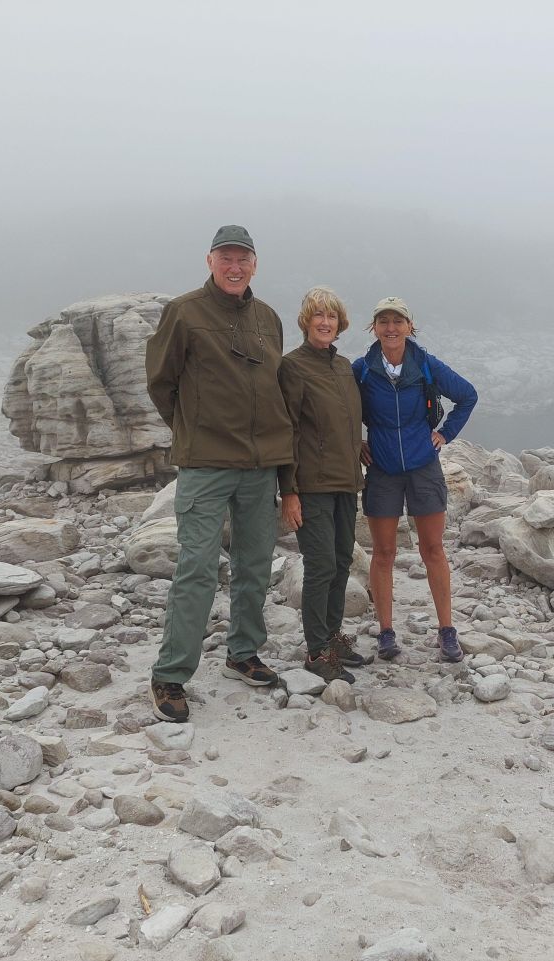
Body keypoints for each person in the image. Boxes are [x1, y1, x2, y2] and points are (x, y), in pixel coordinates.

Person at [143, 225, 293, 723]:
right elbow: (161, 383)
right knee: (198, 567)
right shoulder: (184, 312)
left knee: (254, 565)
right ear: (210, 261)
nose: (235, 267)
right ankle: (170, 674)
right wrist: (193, 429)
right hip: (206, 464)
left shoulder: (268, 318)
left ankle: (242, 653)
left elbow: (276, 387)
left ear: (255, 264)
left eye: (243, 259)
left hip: (259, 466)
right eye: (226, 258)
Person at [353, 296, 477, 663]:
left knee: (433, 549)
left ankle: (447, 630)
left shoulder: (425, 364)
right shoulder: (362, 369)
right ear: (374, 328)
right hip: (382, 468)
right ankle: (386, 632)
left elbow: (467, 396)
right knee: (384, 553)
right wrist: (355, 441)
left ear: (410, 326)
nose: (391, 328)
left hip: (423, 466)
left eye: (398, 321)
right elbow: (340, 409)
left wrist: (445, 434)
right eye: (384, 321)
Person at [277, 286, 369, 684]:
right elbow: (288, 430)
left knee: (342, 560)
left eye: (331, 316)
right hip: (311, 484)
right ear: (306, 321)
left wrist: (357, 444)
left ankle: (332, 638)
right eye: (318, 315)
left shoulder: (343, 366)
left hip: (346, 480)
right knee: (320, 566)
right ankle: (316, 652)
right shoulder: (293, 367)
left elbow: (342, 419)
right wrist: (289, 491)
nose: (325, 322)